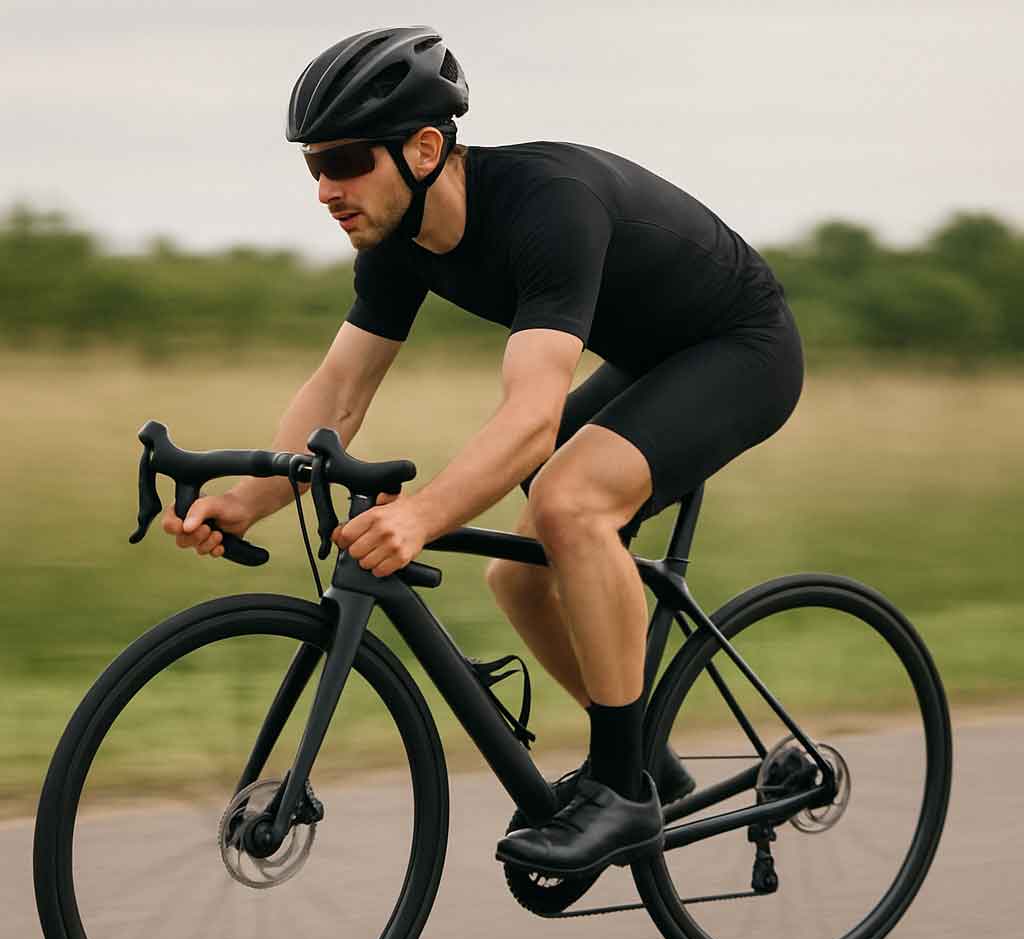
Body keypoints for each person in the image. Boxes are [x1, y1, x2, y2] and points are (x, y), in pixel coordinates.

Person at [162, 26, 804, 878]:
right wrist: (252, 494)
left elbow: (532, 418)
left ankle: (619, 788)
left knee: (572, 501)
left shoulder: (546, 205)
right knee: (518, 571)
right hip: (654, 357)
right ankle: (648, 754)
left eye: (346, 160)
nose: (325, 188)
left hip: (741, 345)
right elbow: (340, 392)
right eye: (312, 166)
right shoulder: (396, 243)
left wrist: (421, 517)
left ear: (426, 148)